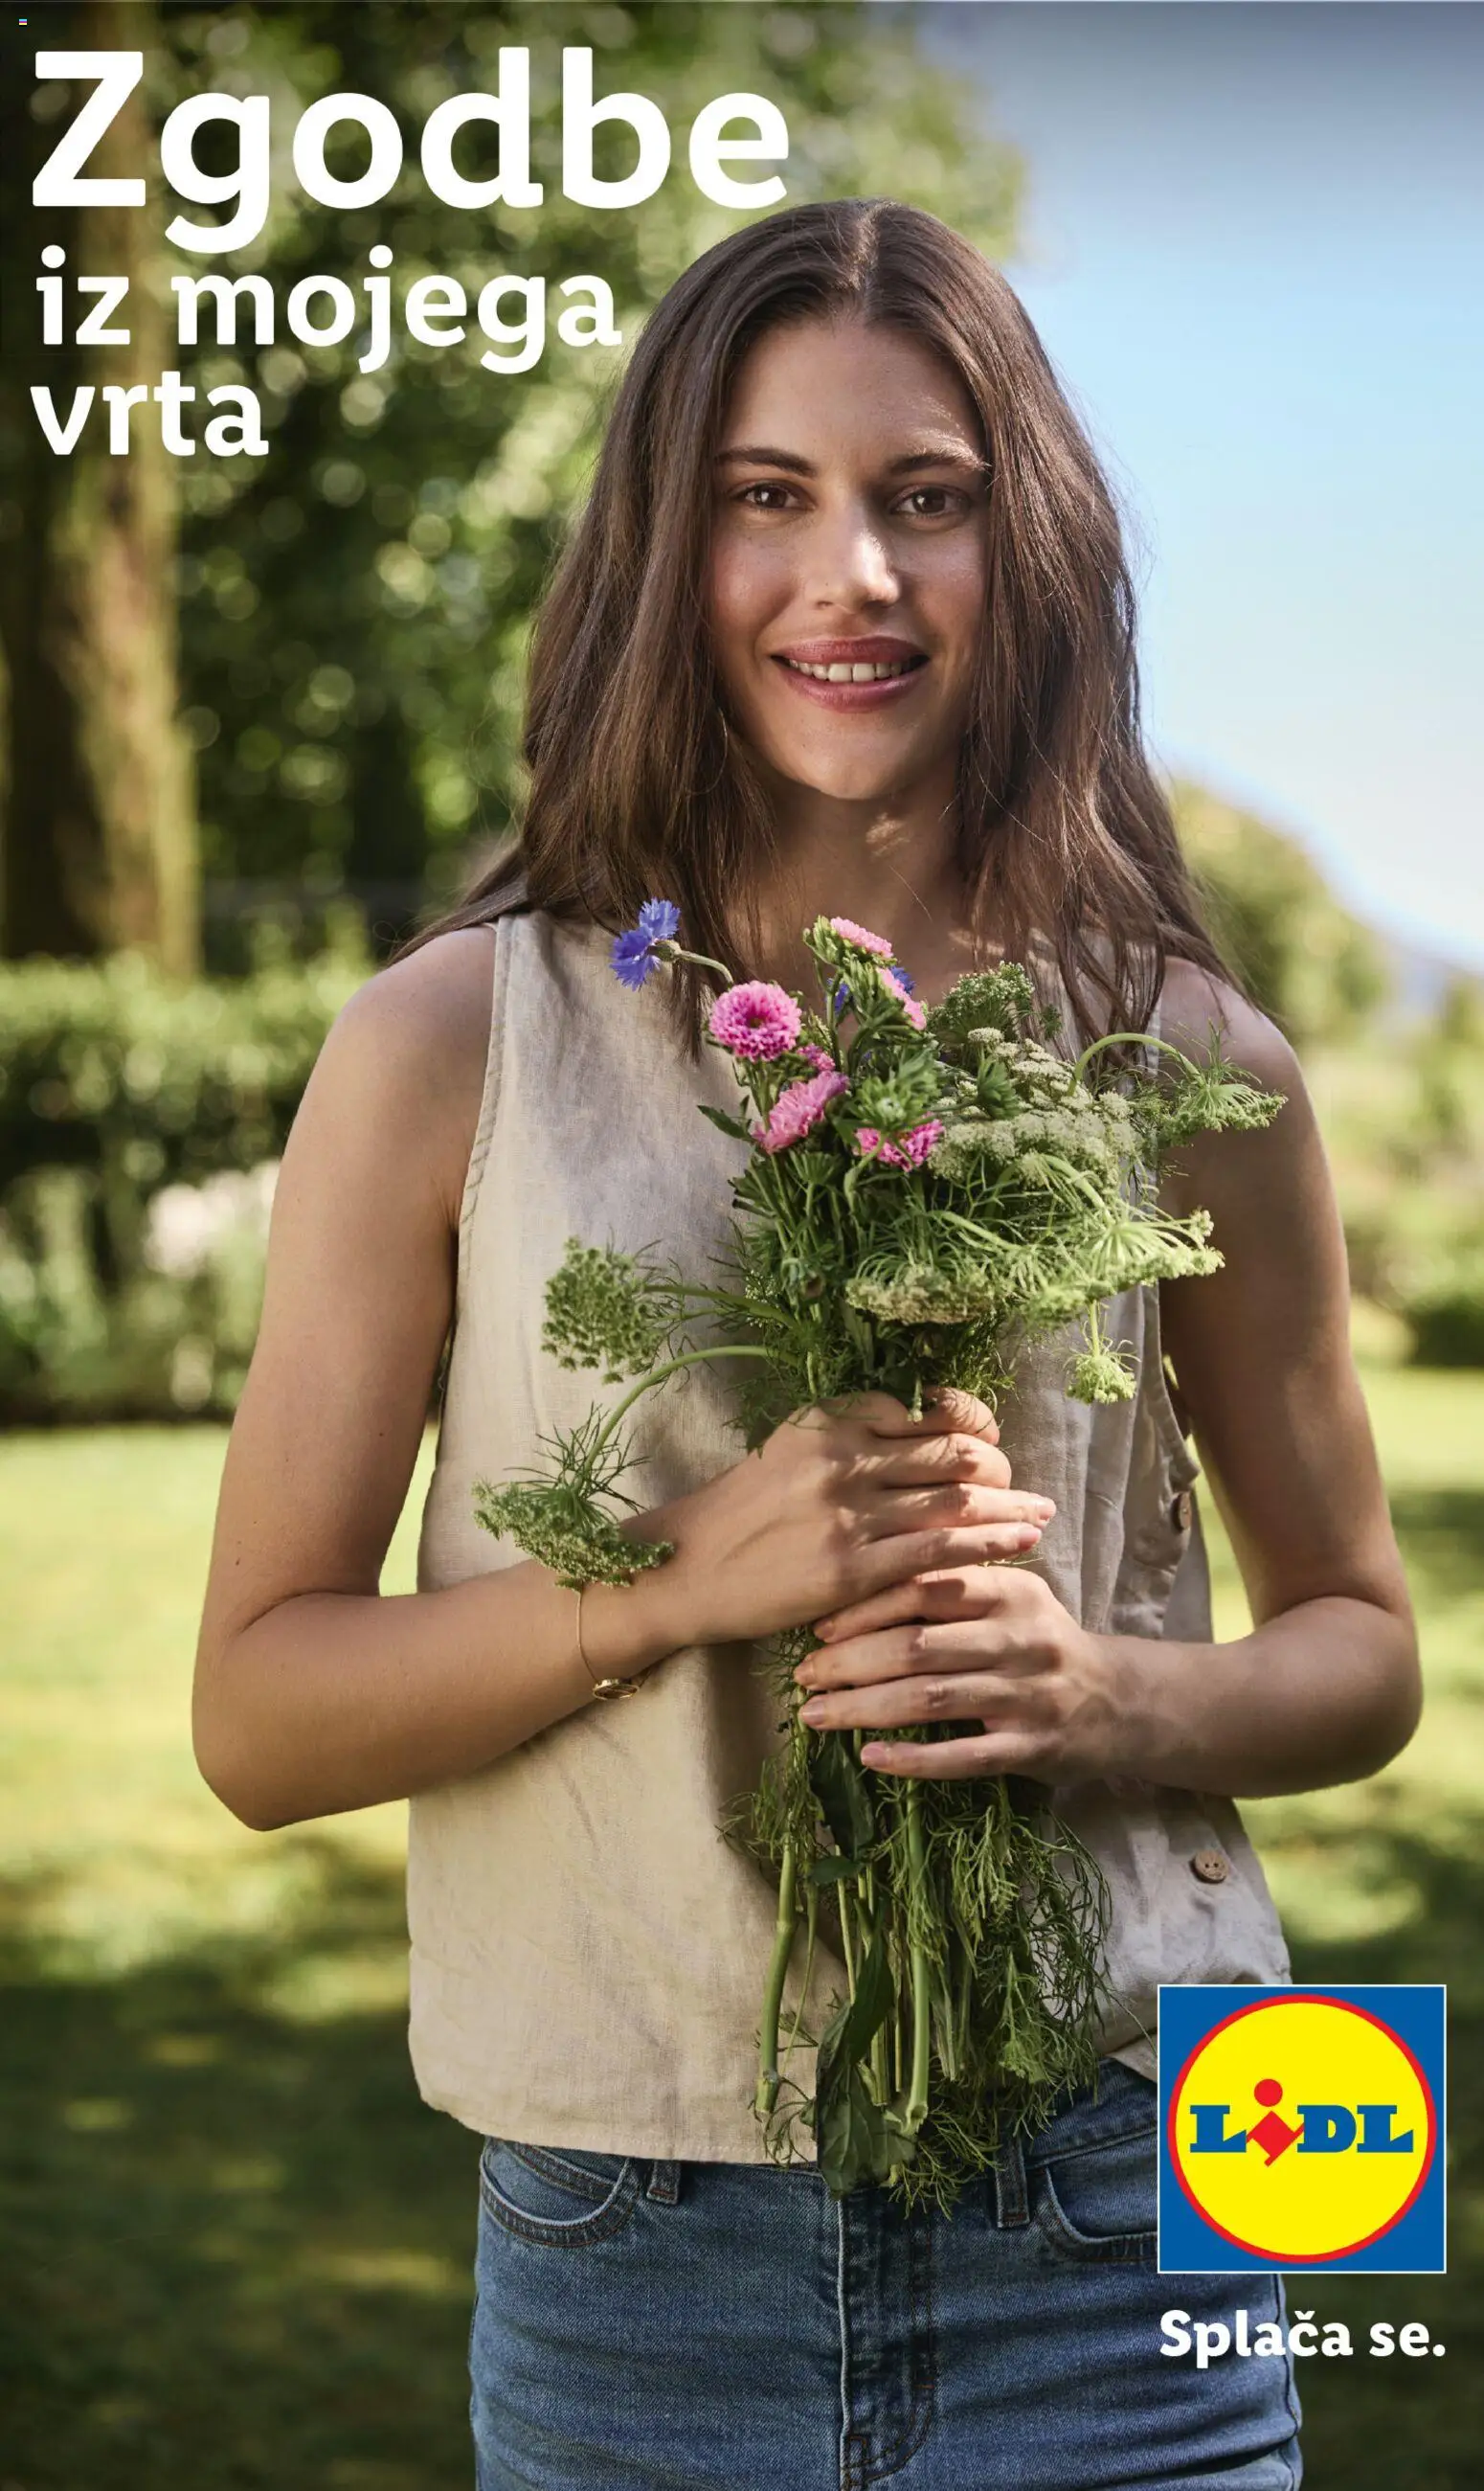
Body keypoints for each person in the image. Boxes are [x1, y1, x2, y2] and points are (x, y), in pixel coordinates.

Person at [192, 199, 1420, 2489]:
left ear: (1021, 546)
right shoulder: (450, 1043)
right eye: (767, 497)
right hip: (632, 2250)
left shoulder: (1188, 1057)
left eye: (923, 498)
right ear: (672, 548)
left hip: (1135, 2195)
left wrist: (1106, 1696)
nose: (845, 573)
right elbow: (256, 1715)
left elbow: (1360, 1646)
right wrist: (670, 1587)